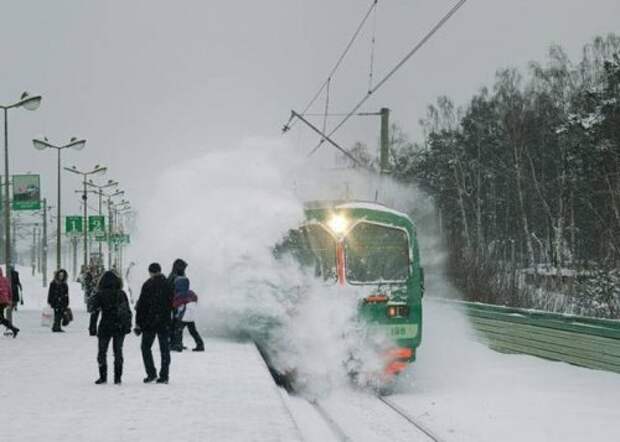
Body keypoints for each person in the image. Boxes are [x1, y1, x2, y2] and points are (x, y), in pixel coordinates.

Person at [89, 271, 132, 385]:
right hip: (119, 326)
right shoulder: (121, 294)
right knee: (118, 352)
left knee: (102, 352)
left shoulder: (100, 294)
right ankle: (118, 377)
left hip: (105, 325)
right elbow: (127, 311)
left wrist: (92, 327)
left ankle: (103, 376)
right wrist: (128, 325)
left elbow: (94, 312)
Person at [135, 263, 174, 384]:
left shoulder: (147, 284)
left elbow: (141, 306)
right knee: (164, 349)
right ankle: (164, 375)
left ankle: (151, 373)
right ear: (160, 270)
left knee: (146, 348)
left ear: (150, 272)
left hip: (149, 322)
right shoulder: (168, 284)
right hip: (164, 321)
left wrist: (138, 323)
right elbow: (172, 303)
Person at [173, 274, 204, 352]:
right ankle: (200, 344)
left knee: (178, 330)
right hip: (191, 316)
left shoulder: (179, 294)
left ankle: (178, 345)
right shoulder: (191, 293)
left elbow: (175, 304)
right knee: (193, 331)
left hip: (183, 316)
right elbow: (196, 299)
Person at [167, 258, 188, 351]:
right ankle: (175, 343)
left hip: (178, 303)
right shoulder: (174, 276)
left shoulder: (174, 276)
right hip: (175, 304)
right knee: (176, 324)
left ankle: (176, 342)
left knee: (177, 324)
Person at [0, 268, 19, 337]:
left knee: (1, 318)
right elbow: (9, 290)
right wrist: (10, 299)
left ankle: (13, 329)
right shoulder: (5, 279)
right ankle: (13, 329)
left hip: (0, 301)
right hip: (5, 301)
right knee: (1, 318)